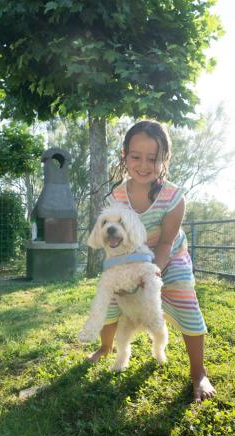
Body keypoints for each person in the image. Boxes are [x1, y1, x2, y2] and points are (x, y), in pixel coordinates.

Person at [87, 120, 216, 402]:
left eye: (153, 158)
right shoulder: (117, 195)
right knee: (111, 297)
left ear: (164, 159)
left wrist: (153, 275)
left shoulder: (174, 197)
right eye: (136, 157)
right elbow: (117, 238)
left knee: (185, 300)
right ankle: (106, 347)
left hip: (169, 256)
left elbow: (167, 242)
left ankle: (199, 373)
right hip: (133, 256)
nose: (143, 165)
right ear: (124, 155)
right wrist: (123, 274)